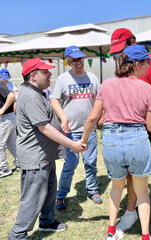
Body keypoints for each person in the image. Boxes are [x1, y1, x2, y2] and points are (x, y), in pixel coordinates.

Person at [81, 45, 151, 240]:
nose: (148, 66)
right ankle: (146, 236)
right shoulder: (146, 88)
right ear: (136, 64)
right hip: (137, 139)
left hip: (111, 141)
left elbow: (93, 117)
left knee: (116, 187)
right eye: (146, 62)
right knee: (142, 191)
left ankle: (111, 231)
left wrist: (83, 140)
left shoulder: (107, 84)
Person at [8, 58, 85, 240]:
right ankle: (17, 234)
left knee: (49, 192)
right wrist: (71, 144)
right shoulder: (31, 96)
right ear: (33, 76)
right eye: (46, 71)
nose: (50, 74)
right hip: (35, 158)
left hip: (44, 156)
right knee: (33, 198)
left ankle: (47, 222)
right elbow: (45, 128)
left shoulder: (35, 93)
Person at [108, 28, 151, 231]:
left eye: (121, 48)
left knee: (134, 174)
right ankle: (130, 209)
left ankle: (131, 210)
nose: (118, 55)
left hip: (141, 126)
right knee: (122, 172)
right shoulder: (123, 60)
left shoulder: (150, 60)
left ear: (133, 41)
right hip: (119, 128)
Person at [50, 45, 102, 210]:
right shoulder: (63, 79)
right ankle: (61, 194)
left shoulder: (93, 77)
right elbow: (54, 100)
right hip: (70, 132)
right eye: (74, 60)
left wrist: (103, 116)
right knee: (70, 164)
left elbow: (101, 100)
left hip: (89, 130)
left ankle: (92, 190)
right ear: (68, 62)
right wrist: (63, 118)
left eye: (80, 59)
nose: (78, 63)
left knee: (91, 162)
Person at [0, 81, 19, 177]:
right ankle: (20, 163)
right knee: (11, 143)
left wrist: (2, 109)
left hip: (6, 117)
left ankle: (4, 169)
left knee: (0, 144)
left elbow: (11, 96)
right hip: (9, 117)